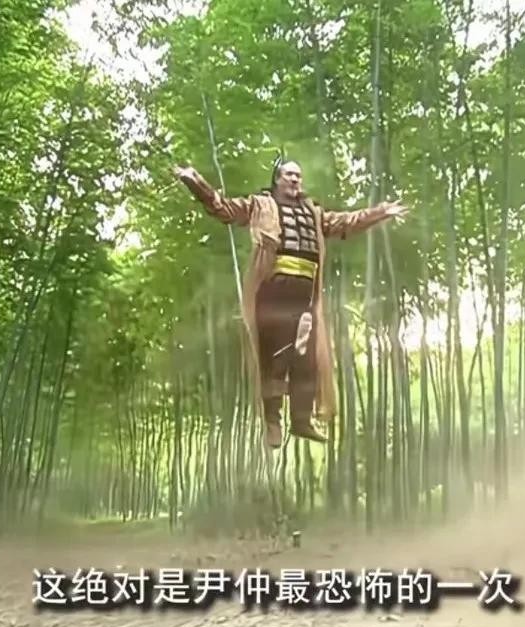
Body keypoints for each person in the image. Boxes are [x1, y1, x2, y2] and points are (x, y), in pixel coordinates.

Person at [174, 159, 408, 448]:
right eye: (289, 174)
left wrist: (379, 212)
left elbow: (347, 222)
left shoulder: (314, 213)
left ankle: (301, 419)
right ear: (277, 178)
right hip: (274, 288)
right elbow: (223, 208)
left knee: (307, 357)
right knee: (277, 354)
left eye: (298, 175)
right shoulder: (260, 205)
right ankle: (272, 421)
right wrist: (195, 181)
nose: (296, 179)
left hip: (306, 293)